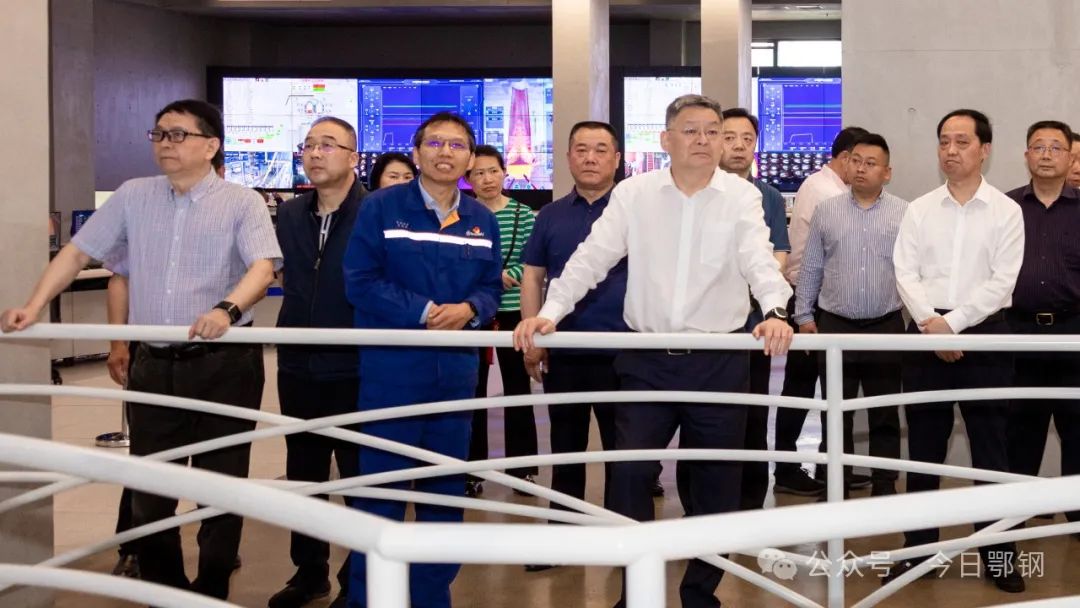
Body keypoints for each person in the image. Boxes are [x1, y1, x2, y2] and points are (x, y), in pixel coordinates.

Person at [514, 94, 792, 608]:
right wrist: (550, 312)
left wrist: (776, 309)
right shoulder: (635, 193)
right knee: (630, 476)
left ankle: (699, 595)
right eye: (691, 130)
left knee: (715, 487)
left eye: (713, 131)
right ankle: (637, 594)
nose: (704, 140)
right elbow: (590, 258)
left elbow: (757, 257)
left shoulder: (740, 196)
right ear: (666, 139)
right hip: (645, 362)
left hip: (719, 362)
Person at [1, 99, 281, 600]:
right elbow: (77, 252)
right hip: (154, 365)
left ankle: (211, 592)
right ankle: (164, 592)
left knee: (222, 487)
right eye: (159, 134)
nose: (166, 144)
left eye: (178, 135)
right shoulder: (134, 196)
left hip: (224, 365)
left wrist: (226, 310)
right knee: (150, 492)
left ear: (211, 146)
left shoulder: (243, 202)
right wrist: (34, 306)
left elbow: (263, 267)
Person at [342, 111, 502, 608]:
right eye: (434, 143)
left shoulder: (481, 220)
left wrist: (471, 309)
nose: (445, 152)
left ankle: (432, 599)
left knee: (443, 498)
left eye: (457, 145)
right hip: (392, 375)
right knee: (380, 497)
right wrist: (425, 311)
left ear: (470, 159)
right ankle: (370, 600)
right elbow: (360, 281)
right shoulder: (381, 208)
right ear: (416, 153)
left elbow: (492, 288)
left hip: (455, 380)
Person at [889, 109, 1025, 593]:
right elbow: (904, 272)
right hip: (927, 335)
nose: (951, 150)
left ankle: (999, 556)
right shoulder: (919, 209)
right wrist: (935, 327)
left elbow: (1002, 281)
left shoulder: (1006, 211)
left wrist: (955, 326)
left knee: (991, 452)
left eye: (962, 142)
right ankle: (918, 551)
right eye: (944, 141)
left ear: (984, 149)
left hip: (984, 338)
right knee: (924, 451)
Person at [269, 116, 367, 608]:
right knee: (304, 474)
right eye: (309, 144)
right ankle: (309, 573)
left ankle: (359, 580)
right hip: (297, 364)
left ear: (353, 157)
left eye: (328, 144)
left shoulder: (375, 211)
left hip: (356, 364)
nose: (315, 152)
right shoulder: (289, 213)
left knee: (360, 478)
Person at [519, 120, 626, 531]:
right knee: (565, 449)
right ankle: (562, 533)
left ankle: (624, 537)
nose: (590, 158)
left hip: (626, 352)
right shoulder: (550, 215)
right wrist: (534, 335)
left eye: (600, 150)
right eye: (581, 150)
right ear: (567, 158)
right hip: (564, 352)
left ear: (617, 159)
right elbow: (533, 277)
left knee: (624, 452)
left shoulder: (634, 211)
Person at [794, 133, 906, 497]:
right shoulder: (827, 210)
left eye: (870, 163)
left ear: (886, 172)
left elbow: (913, 271)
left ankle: (884, 488)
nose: (860, 168)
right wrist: (803, 315)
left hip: (885, 326)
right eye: (856, 160)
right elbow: (811, 266)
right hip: (835, 325)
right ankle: (836, 486)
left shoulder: (905, 213)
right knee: (835, 412)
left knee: (884, 413)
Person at [774, 126, 869, 496]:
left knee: (832, 386)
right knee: (800, 387)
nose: (862, 170)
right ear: (844, 158)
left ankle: (833, 469)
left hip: (819, 296)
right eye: (858, 161)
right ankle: (787, 469)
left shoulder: (827, 186)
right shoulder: (827, 192)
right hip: (809, 297)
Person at [1004, 120, 1080, 525]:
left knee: (1077, 429)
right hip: (1018, 332)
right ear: (1026, 155)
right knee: (1020, 428)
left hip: (1074, 333)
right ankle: (1014, 516)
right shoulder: (1005, 207)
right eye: (1038, 147)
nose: (1047, 155)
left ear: (1070, 157)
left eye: (1056, 148)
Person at [717, 107, 792, 510]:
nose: (739, 146)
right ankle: (705, 506)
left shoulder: (770, 197)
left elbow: (779, 254)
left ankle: (749, 505)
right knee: (706, 416)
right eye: (730, 137)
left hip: (752, 323)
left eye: (747, 139)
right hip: (706, 327)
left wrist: (754, 290)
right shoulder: (698, 191)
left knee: (753, 413)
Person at [464, 145, 538, 497]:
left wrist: (511, 274)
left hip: (512, 313)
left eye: (493, 171)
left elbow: (534, 260)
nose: (487, 179)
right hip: (474, 313)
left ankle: (523, 470)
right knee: (473, 391)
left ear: (504, 172)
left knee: (518, 390)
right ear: (468, 179)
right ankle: (471, 469)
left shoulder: (525, 215)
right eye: (478, 173)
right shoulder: (462, 215)